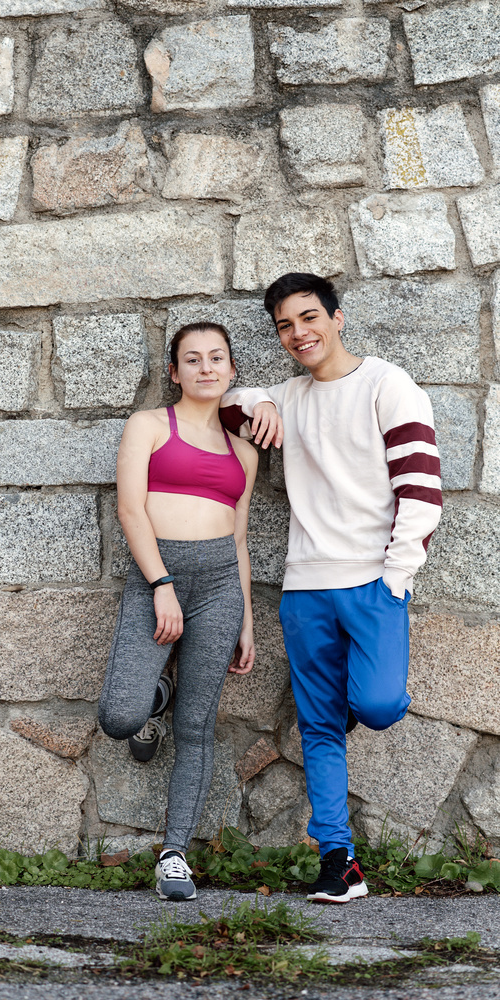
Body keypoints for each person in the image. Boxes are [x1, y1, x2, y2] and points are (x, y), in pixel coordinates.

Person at [220, 273, 442, 904]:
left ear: (337, 318)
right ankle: (338, 862)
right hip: (305, 588)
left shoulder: (386, 384)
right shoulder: (287, 398)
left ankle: (350, 705)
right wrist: (259, 401)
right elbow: (232, 407)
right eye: (285, 325)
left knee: (375, 704)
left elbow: (422, 491)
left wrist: (395, 579)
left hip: (373, 582)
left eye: (310, 318)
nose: (299, 333)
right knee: (319, 727)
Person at [98, 321, 267, 902]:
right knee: (119, 716)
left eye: (216, 358)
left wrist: (246, 618)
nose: (205, 368)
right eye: (191, 359)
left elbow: (241, 540)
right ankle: (152, 702)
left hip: (221, 584)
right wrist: (162, 583)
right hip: (157, 578)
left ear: (231, 369)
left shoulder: (243, 452)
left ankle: (174, 854)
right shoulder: (148, 426)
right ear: (174, 372)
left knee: (197, 727)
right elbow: (129, 511)